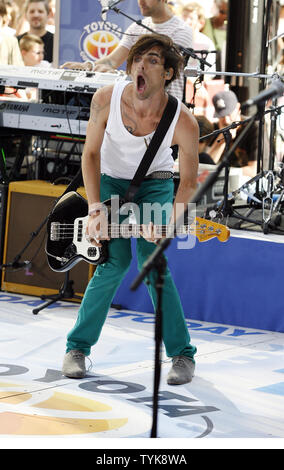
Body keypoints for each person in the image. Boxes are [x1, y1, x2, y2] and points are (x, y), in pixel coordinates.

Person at [62, 33, 199, 386]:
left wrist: (169, 222)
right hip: (110, 181)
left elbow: (187, 182)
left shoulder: (183, 121)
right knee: (114, 263)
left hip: (156, 182)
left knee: (153, 265)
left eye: (152, 60)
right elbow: (90, 155)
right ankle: (77, 348)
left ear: (168, 74)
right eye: (138, 58)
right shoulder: (106, 98)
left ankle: (182, 355)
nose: (141, 64)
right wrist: (95, 209)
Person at [62, 0, 193, 102]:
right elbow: (112, 61)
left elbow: (160, 73)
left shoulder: (181, 30)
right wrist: (87, 66)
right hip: (138, 103)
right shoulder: (137, 27)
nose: (140, 1)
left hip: (166, 105)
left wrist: (120, 76)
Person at [205, 90, 260, 177]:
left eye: (229, 114)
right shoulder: (216, 129)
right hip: (222, 183)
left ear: (238, 108)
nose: (226, 120)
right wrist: (222, 139)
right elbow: (206, 166)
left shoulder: (253, 128)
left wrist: (224, 172)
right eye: (222, 115)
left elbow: (254, 171)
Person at [180, 2, 216, 78]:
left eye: (190, 18)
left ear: (201, 23)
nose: (186, 21)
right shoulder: (177, 39)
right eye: (184, 16)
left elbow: (209, 73)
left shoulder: (207, 43)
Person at [201, 0, 228, 71]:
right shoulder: (204, 23)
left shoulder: (229, 28)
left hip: (223, 65)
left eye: (227, 13)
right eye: (222, 12)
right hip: (206, 63)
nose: (224, 16)